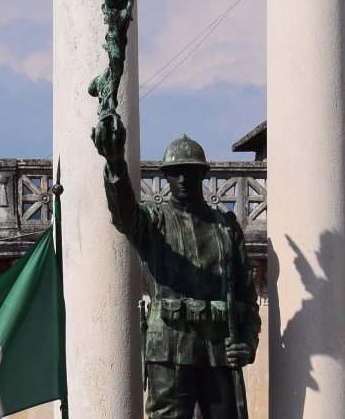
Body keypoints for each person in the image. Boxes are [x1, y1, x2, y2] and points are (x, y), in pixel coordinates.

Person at [92, 113, 260, 419]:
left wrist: (247, 342)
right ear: (167, 177)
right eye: (176, 172)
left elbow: (247, 297)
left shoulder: (226, 228)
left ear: (203, 176)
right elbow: (124, 213)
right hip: (168, 346)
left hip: (219, 348)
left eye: (191, 172)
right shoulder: (154, 223)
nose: (183, 179)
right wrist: (115, 164)